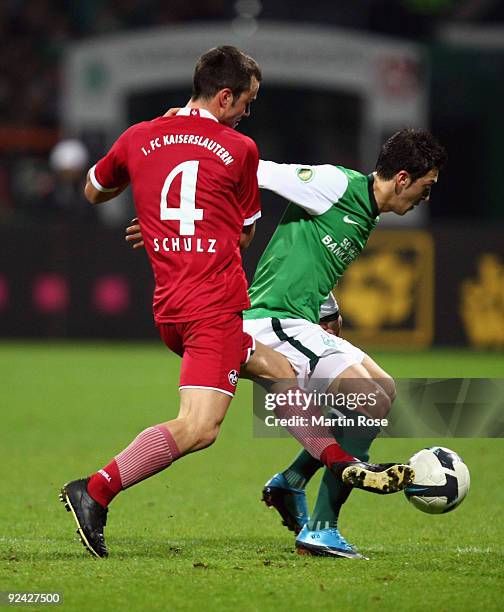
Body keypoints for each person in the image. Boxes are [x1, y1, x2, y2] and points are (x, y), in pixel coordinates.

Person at [60, 46, 399, 559]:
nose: (247, 111)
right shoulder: (239, 149)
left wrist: (159, 222)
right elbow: (241, 236)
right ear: (225, 96)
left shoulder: (139, 136)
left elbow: (92, 191)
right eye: (247, 101)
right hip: (212, 309)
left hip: (172, 306)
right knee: (199, 427)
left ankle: (323, 467)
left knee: (277, 369)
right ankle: (96, 489)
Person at [126, 127, 446, 557]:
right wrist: (178, 217)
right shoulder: (336, 185)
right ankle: (320, 529)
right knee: (368, 399)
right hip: (272, 321)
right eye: (426, 188)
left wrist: (325, 305)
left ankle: (291, 482)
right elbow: (252, 170)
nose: (426, 198)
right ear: (404, 178)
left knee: (383, 392)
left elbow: (304, 259)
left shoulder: (366, 211)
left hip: (299, 321)